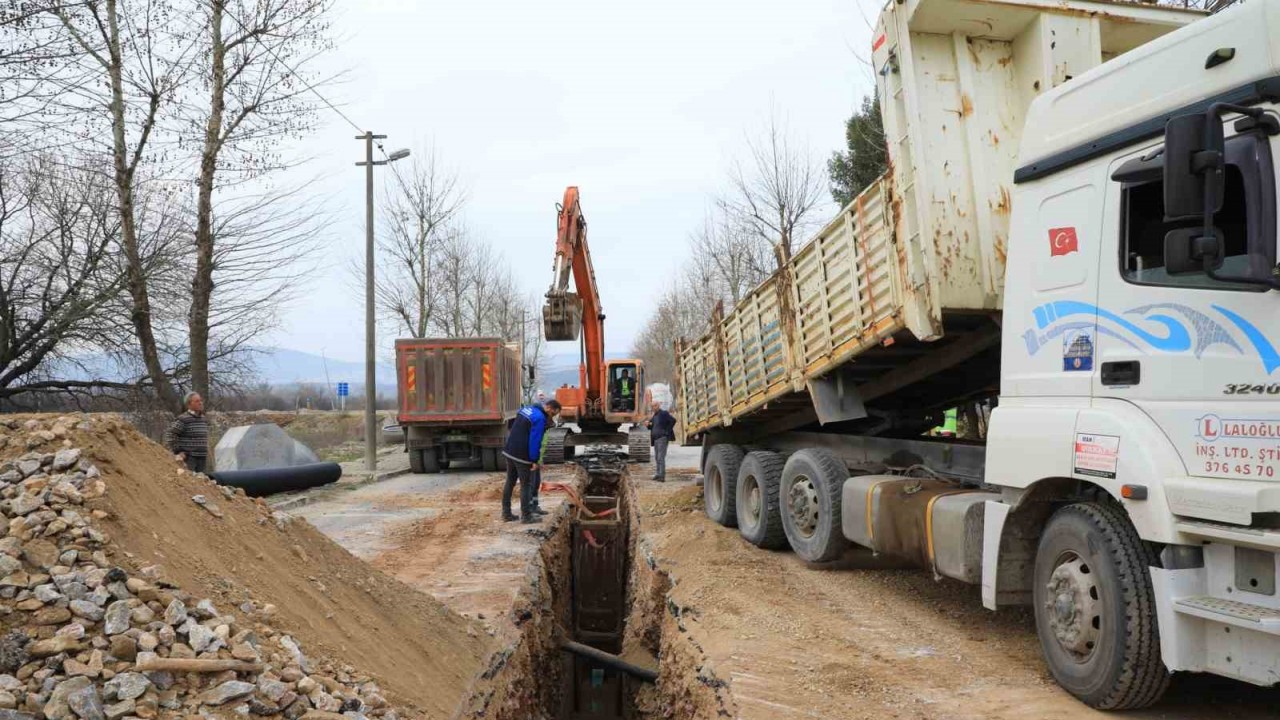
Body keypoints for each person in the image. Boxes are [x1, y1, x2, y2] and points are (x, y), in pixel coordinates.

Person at [502, 399, 561, 523]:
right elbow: (535, 440)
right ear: (550, 408)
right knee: (526, 485)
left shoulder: (525, 410)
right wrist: (534, 459)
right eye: (554, 413)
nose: (553, 416)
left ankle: (506, 513)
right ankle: (526, 516)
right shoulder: (539, 418)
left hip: (509, 450)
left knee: (510, 482)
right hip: (522, 455)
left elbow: (511, 426)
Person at [165, 392, 210, 473]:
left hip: (202, 458)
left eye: (200, 401)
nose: (200, 403)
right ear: (189, 404)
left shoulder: (203, 419)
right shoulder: (183, 419)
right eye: (197, 401)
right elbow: (171, 434)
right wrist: (178, 451)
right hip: (189, 458)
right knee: (191, 481)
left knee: (202, 482)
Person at [645, 400, 677, 482]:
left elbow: (673, 420)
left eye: (655, 406)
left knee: (660, 457)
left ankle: (662, 476)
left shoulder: (664, 413)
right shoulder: (654, 416)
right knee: (657, 457)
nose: (653, 408)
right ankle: (658, 474)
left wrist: (666, 431)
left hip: (662, 438)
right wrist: (648, 425)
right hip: (655, 439)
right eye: (652, 406)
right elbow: (651, 427)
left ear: (658, 405)